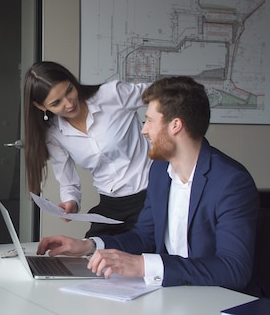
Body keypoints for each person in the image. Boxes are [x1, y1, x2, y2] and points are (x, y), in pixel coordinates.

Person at [37, 76, 258, 292]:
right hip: (174, 293)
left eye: (150, 120)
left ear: (176, 125)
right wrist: (88, 246)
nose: (143, 130)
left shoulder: (231, 182)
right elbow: (144, 236)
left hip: (218, 300)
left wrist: (144, 265)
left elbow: (234, 269)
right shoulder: (160, 171)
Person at [23, 61, 152, 236]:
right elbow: (68, 181)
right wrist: (71, 201)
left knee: (144, 252)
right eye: (56, 103)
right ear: (41, 106)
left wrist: (160, 130)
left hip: (150, 196)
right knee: (92, 254)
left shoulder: (111, 95)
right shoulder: (53, 133)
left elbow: (165, 95)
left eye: (69, 90)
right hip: (111, 206)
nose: (69, 104)